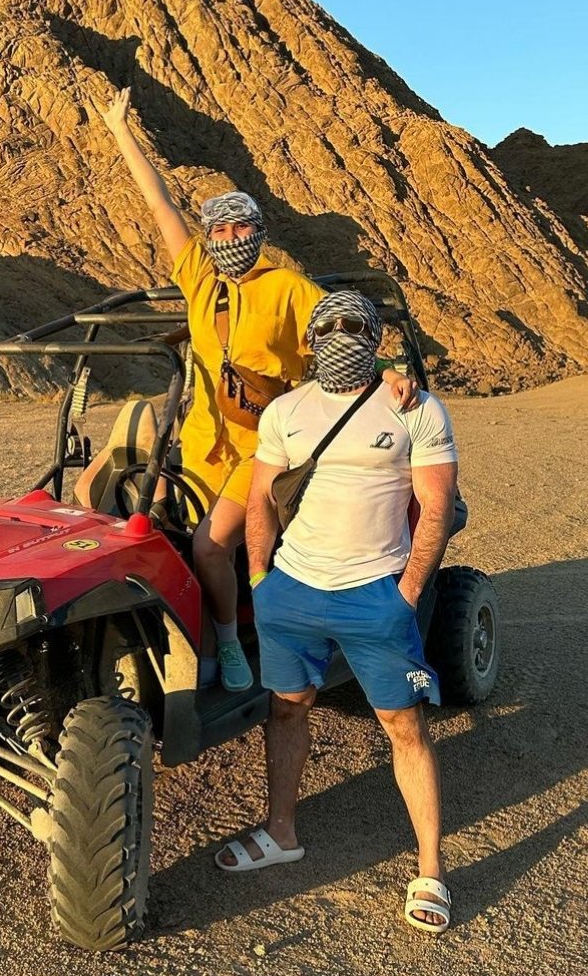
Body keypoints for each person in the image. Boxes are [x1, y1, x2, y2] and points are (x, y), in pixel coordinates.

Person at [101, 87, 417, 691]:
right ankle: (192, 633)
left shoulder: (289, 288)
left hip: (264, 445)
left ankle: (227, 645)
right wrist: (121, 132)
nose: (226, 237)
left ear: (258, 229)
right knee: (151, 524)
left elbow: (344, 333)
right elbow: (160, 205)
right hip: (201, 440)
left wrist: (388, 374)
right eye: (217, 229)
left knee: (210, 546)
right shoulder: (199, 277)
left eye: (238, 225)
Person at [216, 289, 458, 934]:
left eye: (357, 327)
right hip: (292, 588)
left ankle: (431, 868)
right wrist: (262, 576)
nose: (342, 335)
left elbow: (435, 507)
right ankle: (281, 832)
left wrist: (405, 592)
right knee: (286, 708)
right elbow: (262, 497)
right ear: (312, 338)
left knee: (402, 725)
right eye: (330, 326)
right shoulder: (287, 411)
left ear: (377, 337)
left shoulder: (415, 407)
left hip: (374, 592)